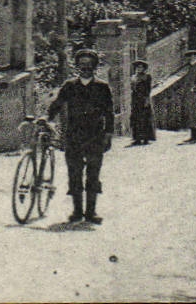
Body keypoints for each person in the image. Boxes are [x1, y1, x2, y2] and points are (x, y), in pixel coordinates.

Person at [48, 46, 116, 223]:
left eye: (89, 64)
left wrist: (109, 133)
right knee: (74, 174)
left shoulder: (102, 87)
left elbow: (109, 112)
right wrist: (47, 117)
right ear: (77, 66)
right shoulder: (70, 86)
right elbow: (57, 103)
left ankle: (91, 212)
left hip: (95, 136)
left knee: (93, 174)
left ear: (94, 66)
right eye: (82, 64)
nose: (85, 67)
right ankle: (77, 211)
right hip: (74, 135)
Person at [178, 49, 196, 144]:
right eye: (189, 57)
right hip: (189, 95)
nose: (190, 58)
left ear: (195, 56)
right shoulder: (190, 67)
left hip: (195, 95)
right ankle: (193, 136)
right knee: (191, 116)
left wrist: (194, 88)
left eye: (192, 56)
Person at [128, 60, 154, 146]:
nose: (139, 69)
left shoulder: (147, 77)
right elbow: (132, 89)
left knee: (145, 119)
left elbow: (148, 89)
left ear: (144, 68)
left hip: (144, 100)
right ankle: (137, 139)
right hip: (136, 100)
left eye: (141, 67)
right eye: (137, 67)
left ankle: (146, 138)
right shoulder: (133, 77)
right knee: (136, 119)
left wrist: (146, 100)